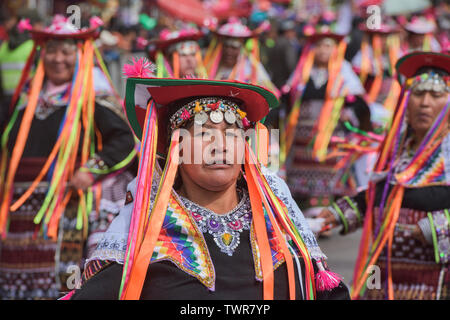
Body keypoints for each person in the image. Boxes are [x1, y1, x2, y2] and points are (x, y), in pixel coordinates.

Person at [62, 66, 349, 300]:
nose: (220, 146)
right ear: (177, 149)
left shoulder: (278, 219)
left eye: (232, 133)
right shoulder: (145, 230)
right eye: (202, 134)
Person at [0, 15, 136, 299]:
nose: (58, 58)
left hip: (66, 207)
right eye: (52, 50)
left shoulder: (94, 99)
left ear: (81, 56)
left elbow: (124, 140)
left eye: (66, 51)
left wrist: (91, 169)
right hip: (20, 213)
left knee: (63, 281)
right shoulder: (26, 101)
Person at [317, 51, 450, 300]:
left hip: (435, 283)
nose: (425, 103)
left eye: (436, 95)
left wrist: (432, 228)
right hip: (383, 279)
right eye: (419, 94)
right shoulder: (395, 151)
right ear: (406, 103)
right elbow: (377, 196)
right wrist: (333, 216)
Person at [281, 18, 370, 219]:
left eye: (328, 46)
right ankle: (302, 216)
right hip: (302, 136)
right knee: (301, 169)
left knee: (328, 169)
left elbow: (359, 102)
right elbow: (289, 96)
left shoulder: (343, 72)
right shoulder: (303, 70)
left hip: (331, 135)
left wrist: (347, 107)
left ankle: (324, 216)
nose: (323, 51)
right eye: (319, 46)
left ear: (335, 49)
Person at [203, 17, 279, 97]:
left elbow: (269, 95)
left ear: (241, 49)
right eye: (226, 46)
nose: (229, 51)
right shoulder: (210, 67)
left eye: (234, 47)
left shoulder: (252, 67)